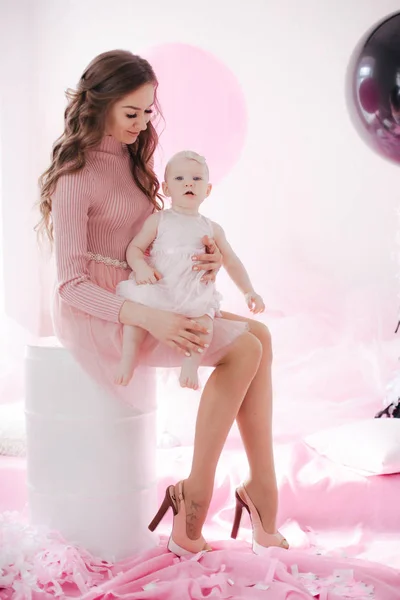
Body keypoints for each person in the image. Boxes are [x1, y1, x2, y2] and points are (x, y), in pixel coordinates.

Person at [37, 49, 289, 556]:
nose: (142, 123)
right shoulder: (74, 177)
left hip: (148, 290)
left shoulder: (135, 159)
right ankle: (195, 498)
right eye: (131, 113)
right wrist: (153, 316)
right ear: (99, 104)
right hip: (100, 311)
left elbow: (153, 239)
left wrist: (206, 260)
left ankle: (260, 489)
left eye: (149, 112)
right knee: (244, 350)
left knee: (260, 335)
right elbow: (68, 285)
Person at [115, 150, 265, 390]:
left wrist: (248, 291)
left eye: (196, 179)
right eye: (179, 178)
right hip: (160, 287)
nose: (188, 183)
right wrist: (141, 267)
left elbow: (232, 261)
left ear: (207, 190)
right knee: (134, 320)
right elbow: (134, 248)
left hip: (192, 293)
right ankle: (128, 357)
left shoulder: (211, 228)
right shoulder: (159, 220)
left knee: (204, 323)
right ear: (166, 188)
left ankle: (190, 365)